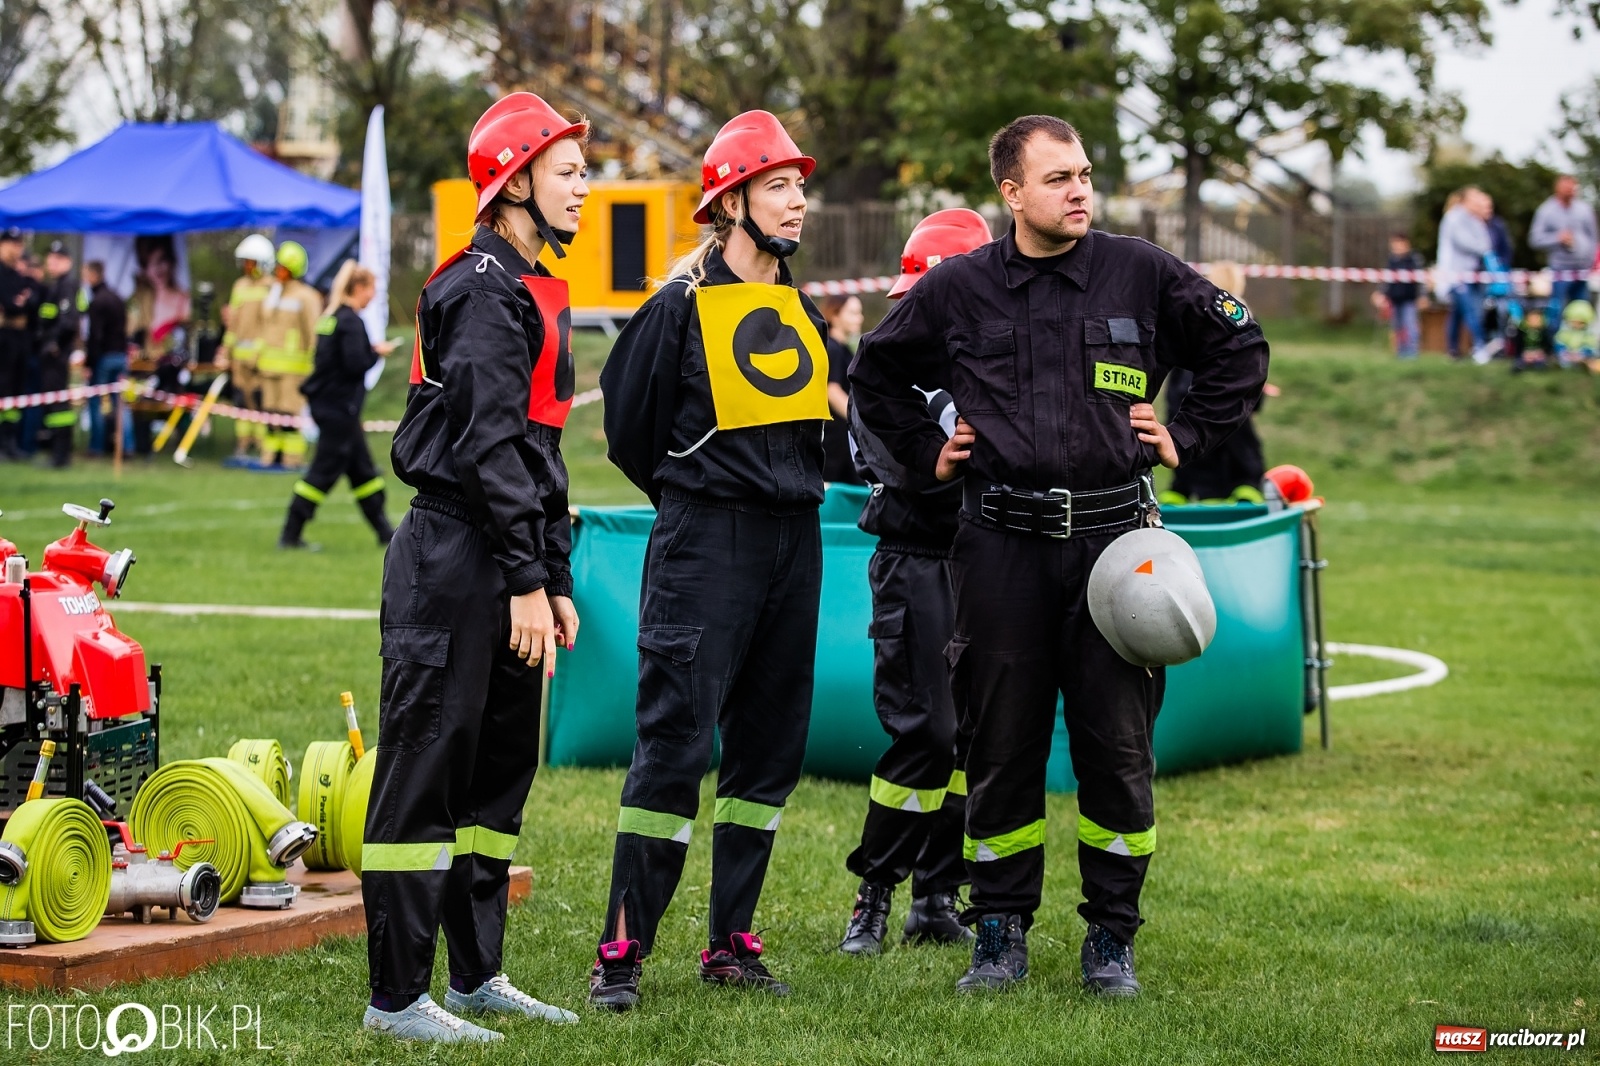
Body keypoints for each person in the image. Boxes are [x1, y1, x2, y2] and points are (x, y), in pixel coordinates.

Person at [851, 115, 1268, 997]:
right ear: (1011, 193)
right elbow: (876, 373)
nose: (1080, 190)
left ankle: (1111, 940)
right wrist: (928, 459)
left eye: (1084, 174)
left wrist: (1183, 430)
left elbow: (1240, 344)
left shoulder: (1141, 270)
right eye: (1058, 179)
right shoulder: (959, 288)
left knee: (1117, 750)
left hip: (1118, 550)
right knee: (1000, 749)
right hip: (998, 547)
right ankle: (998, 936)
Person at [361, 91, 587, 1044]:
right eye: (569, 171)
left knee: (494, 781)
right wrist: (526, 580)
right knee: (425, 776)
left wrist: (555, 575)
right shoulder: (481, 289)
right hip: (454, 556)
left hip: (502, 557)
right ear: (517, 179)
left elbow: (539, 450)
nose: (585, 187)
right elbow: (490, 450)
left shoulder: (528, 288)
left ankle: (474, 975)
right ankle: (395, 1000)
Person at [590, 110, 828, 1011]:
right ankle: (623, 950)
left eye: (801, 187)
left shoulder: (798, 309)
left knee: (769, 747)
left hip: (792, 544)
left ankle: (732, 940)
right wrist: (700, 500)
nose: (798, 202)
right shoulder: (673, 309)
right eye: (779, 186)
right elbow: (629, 428)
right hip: (705, 541)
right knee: (676, 743)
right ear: (729, 203)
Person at [837, 208, 992, 958]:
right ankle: (875, 889)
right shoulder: (883, 365)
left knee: (973, 738)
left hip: (990, 563)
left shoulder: (1002, 361)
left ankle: (938, 895)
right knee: (925, 735)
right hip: (914, 561)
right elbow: (898, 466)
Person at [277, 261, 396, 549]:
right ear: (358, 288)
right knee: (322, 473)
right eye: (371, 290)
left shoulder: (331, 318)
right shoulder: (351, 322)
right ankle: (290, 534)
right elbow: (355, 365)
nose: (372, 297)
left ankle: (385, 533)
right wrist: (376, 353)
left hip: (331, 407)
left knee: (363, 472)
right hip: (340, 410)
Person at [255, 241, 320, 468]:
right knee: (271, 416)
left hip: (294, 369)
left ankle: (291, 459)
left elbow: (313, 333)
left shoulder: (307, 297)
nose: (278, 271)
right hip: (268, 366)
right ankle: (269, 457)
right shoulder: (272, 293)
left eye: (283, 267)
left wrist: (315, 365)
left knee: (289, 416)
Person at [126, 236, 192, 455]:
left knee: (178, 401)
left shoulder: (181, 299)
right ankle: (140, 446)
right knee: (140, 404)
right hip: (145, 372)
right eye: (153, 263)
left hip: (170, 371)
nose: (161, 268)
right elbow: (131, 334)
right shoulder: (139, 301)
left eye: (164, 260)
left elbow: (182, 340)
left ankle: (182, 442)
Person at [219, 234, 276, 461]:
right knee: (241, 402)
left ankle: (262, 446)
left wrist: (259, 351)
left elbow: (272, 325)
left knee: (261, 401)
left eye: (251, 262)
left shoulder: (272, 287)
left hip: (261, 358)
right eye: (245, 262)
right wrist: (225, 350)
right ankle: (243, 445)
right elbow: (233, 324)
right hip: (239, 360)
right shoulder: (239, 286)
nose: (247, 267)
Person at [33, 242, 81, 466]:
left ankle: (61, 455)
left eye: (57, 259)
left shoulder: (67, 286)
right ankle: (55, 452)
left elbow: (68, 322)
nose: (51, 263)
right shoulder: (54, 286)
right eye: (49, 258)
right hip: (50, 354)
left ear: (67, 262)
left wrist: (53, 344)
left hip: (57, 356)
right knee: (52, 405)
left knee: (59, 405)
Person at [1530, 174, 1598, 320]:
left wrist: (1591, 259)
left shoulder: (1584, 209)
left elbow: (1593, 237)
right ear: (1557, 188)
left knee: (1582, 310)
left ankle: (1582, 342)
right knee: (1557, 309)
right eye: (1566, 187)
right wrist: (1557, 238)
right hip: (1560, 269)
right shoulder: (1546, 210)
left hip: (1582, 269)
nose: (1569, 190)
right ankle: (1556, 340)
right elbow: (1534, 239)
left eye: (1572, 187)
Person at [1435, 187, 1492, 361]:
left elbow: (1486, 243)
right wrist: (1481, 245)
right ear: (1465, 200)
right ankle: (1480, 347)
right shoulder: (1453, 218)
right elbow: (1470, 244)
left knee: (1458, 313)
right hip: (1456, 275)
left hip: (1470, 274)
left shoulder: (1473, 220)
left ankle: (1453, 350)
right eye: (1475, 198)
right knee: (1470, 311)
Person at [82, 261, 129, 456]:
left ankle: (97, 446)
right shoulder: (117, 298)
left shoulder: (97, 301)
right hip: (121, 355)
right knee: (121, 402)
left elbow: (95, 336)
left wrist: (89, 363)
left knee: (96, 402)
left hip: (104, 358)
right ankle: (127, 446)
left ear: (93, 275)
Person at [0, 228, 39, 459]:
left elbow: (32, 298)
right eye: (12, 244)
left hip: (18, 340)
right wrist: (18, 303)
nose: (16, 249)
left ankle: (9, 442)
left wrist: (21, 302)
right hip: (3, 339)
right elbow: (11, 303)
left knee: (14, 392)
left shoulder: (18, 275)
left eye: (19, 244)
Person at [820, 293, 866, 483]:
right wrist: (861, 420)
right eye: (853, 313)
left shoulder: (842, 349)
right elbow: (832, 391)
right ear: (835, 315)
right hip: (835, 444)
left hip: (842, 440)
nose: (860, 318)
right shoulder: (833, 349)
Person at [1380, 232, 1425, 359]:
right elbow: (1386, 280)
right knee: (1397, 327)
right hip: (1394, 299)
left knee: (1410, 326)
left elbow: (1421, 280)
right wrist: (1382, 295)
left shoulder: (1414, 260)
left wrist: (1422, 296)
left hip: (1409, 299)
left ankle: (1412, 353)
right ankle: (1400, 353)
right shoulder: (1391, 261)